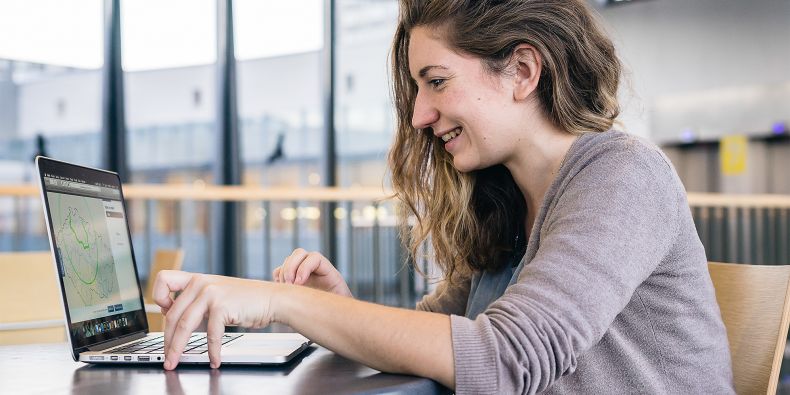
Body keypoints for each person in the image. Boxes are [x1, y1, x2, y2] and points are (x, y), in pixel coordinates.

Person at [153, 0, 734, 393]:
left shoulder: (623, 175)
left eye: (436, 81)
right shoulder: (505, 201)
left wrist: (284, 304)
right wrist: (342, 310)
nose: (419, 114)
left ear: (523, 71)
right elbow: (439, 343)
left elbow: (507, 360)